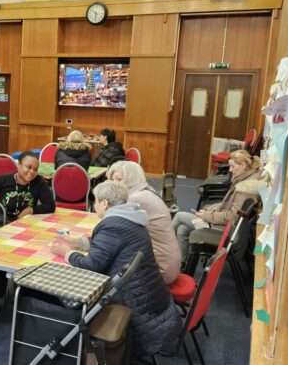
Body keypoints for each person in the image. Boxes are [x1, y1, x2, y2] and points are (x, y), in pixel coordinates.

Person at [50, 181, 181, 362]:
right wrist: (77, 243)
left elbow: (91, 264)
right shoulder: (131, 217)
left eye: (95, 201)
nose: (94, 205)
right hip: (150, 297)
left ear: (104, 203)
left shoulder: (113, 224)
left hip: (131, 300)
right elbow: (108, 244)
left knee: (60, 290)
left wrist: (66, 252)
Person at [172, 149, 265, 261]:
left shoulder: (245, 189)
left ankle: (162, 247)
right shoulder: (246, 179)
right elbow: (228, 204)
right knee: (182, 229)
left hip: (226, 232)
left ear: (243, 165)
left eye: (233, 166)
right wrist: (209, 210)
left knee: (179, 216)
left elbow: (231, 217)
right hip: (225, 227)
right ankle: (181, 264)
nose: (230, 170)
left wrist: (207, 216)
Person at [107, 161, 181, 285]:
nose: (114, 185)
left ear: (132, 179)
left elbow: (114, 229)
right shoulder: (146, 191)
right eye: (112, 180)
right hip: (169, 262)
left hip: (159, 270)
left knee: (104, 262)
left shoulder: (135, 199)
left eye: (119, 180)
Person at [0, 151, 55, 223]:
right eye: (28, 167)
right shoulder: (5, 180)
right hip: (1, 223)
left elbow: (50, 205)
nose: (32, 172)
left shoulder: (39, 182)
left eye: (35, 169)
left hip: (25, 223)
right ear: (18, 165)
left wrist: (31, 210)